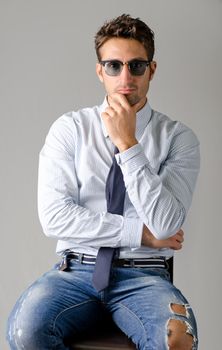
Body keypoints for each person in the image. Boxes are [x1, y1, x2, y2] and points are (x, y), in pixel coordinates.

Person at [7, 14, 200, 349]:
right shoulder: (70, 130)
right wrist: (139, 233)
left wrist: (128, 144)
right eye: (113, 66)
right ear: (100, 71)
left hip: (146, 276)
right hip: (76, 272)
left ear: (151, 70)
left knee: (177, 340)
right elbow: (54, 217)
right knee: (26, 332)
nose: (125, 77)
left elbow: (167, 226)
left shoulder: (178, 138)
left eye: (136, 66)